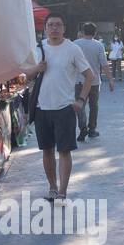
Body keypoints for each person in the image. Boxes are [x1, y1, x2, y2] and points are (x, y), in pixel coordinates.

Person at [32, 13, 95, 201]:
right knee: (47, 150)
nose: (54, 28)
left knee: (64, 151)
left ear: (64, 28)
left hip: (65, 108)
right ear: (45, 28)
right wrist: (37, 69)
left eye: (58, 25)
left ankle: (62, 192)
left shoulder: (73, 49)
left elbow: (89, 76)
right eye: (51, 25)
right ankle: (52, 187)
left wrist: (81, 100)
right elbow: (26, 75)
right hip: (41, 107)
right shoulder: (38, 49)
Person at [73, 23, 113, 141]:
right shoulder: (99, 45)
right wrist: (110, 79)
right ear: (95, 33)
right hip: (95, 81)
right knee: (94, 106)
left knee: (80, 106)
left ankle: (82, 129)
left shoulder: (75, 44)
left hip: (79, 81)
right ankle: (92, 130)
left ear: (82, 32)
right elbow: (104, 64)